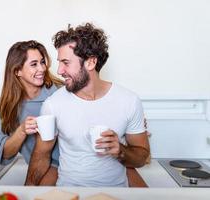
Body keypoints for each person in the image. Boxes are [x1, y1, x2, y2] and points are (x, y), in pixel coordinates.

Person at [25, 23, 150, 187]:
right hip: (70, 193)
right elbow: (41, 156)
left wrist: (120, 150)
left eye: (66, 62)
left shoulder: (129, 101)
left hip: (116, 193)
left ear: (90, 63)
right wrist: (26, 192)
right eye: (59, 63)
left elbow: (141, 157)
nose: (60, 71)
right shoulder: (53, 104)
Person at [0, 40, 63, 185]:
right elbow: (4, 155)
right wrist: (22, 131)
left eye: (42, 62)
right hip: (36, 167)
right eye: (34, 64)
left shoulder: (59, 92)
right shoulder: (8, 105)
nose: (42, 68)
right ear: (17, 71)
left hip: (62, 167)